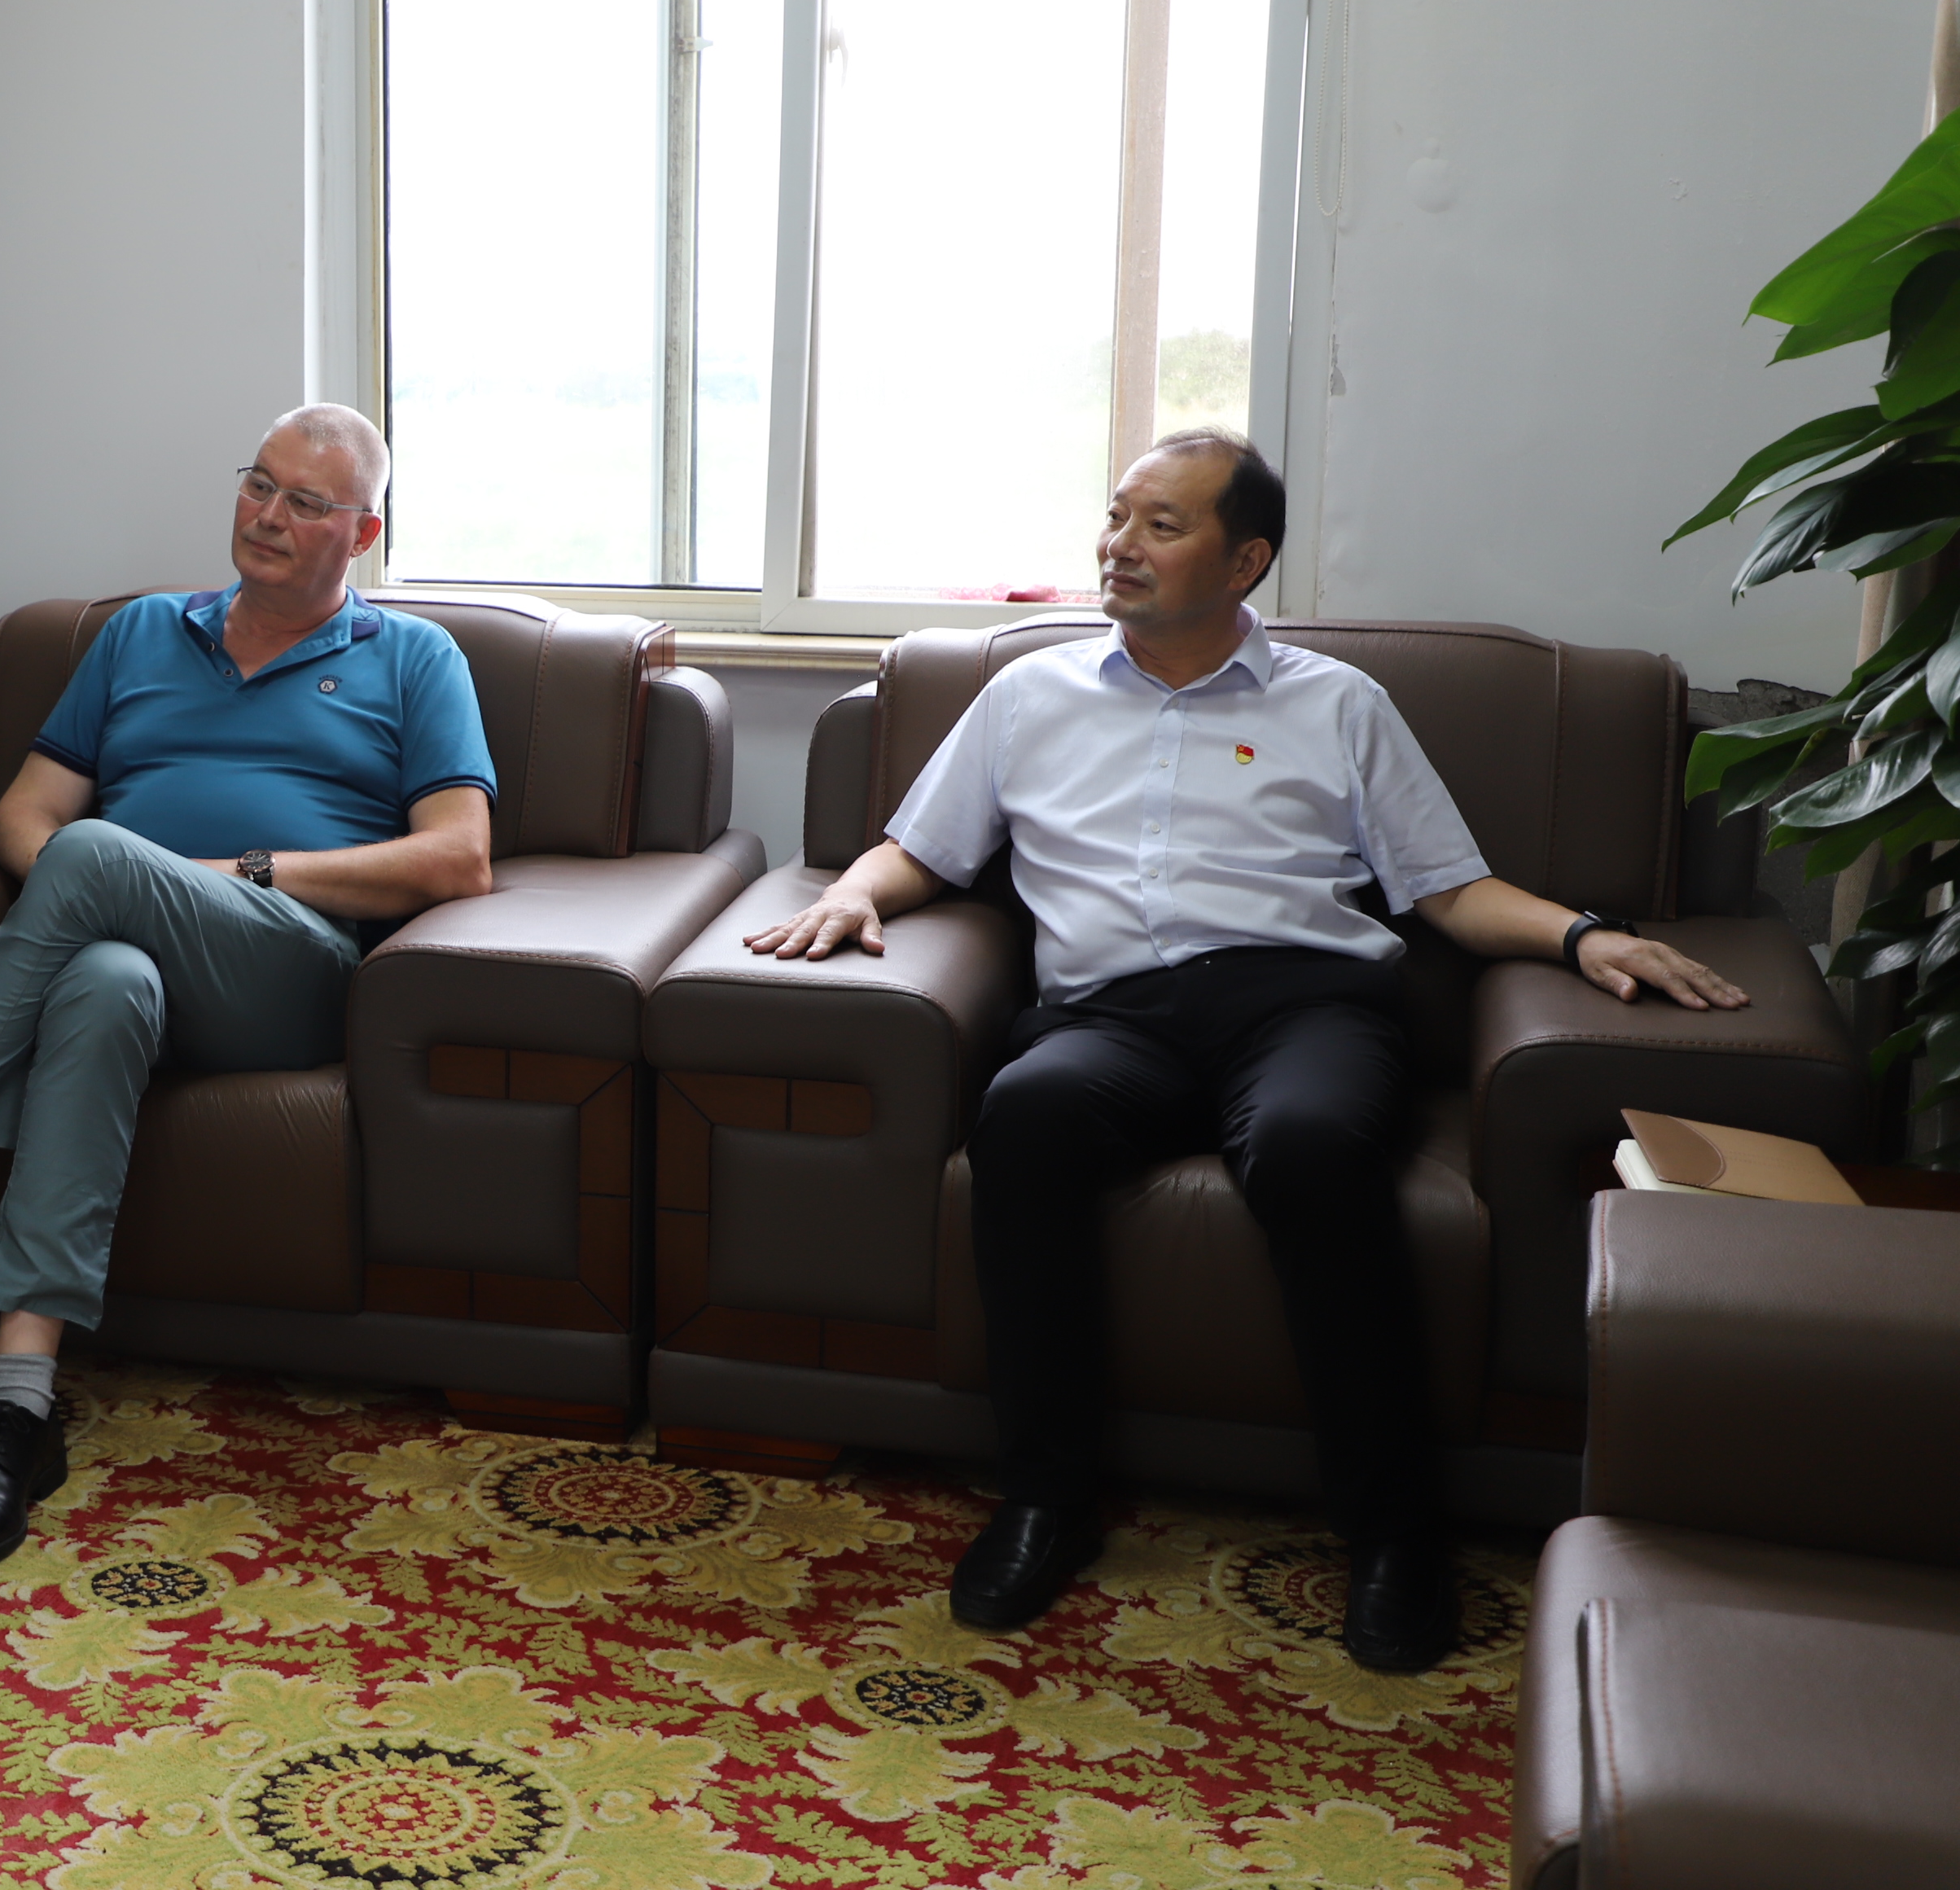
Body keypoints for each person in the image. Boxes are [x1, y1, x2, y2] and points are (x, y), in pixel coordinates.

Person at [743, 431, 1749, 1675]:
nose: (1120, 545)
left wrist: (1586, 937)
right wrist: (857, 890)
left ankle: (1393, 1534)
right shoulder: (1027, 695)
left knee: (1313, 1145)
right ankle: (1046, 1499)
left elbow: (1448, 888)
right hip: (1109, 1015)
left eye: (1161, 525)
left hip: (1302, 1007)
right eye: (1117, 516)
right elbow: (926, 848)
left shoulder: (1336, 704)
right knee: (1026, 1117)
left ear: (1245, 561)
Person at [0, 404, 496, 1576]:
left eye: (307, 502)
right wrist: (98, 891)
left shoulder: (414, 658)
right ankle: (15, 1408)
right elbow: (25, 815)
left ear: (362, 532)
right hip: (133, 963)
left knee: (100, 853)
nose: (267, 515)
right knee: (102, 977)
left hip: (291, 968)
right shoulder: (142, 633)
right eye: (258, 483)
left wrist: (227, 873)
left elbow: (459, 856)